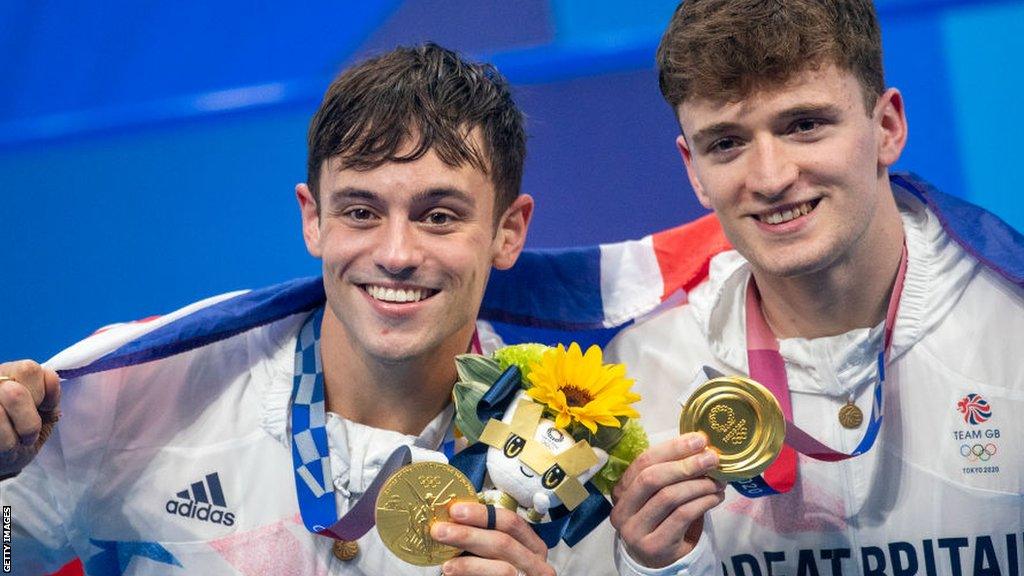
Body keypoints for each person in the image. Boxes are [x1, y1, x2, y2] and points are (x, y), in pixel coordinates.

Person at [0, 43, 590, 576]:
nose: (397, 254)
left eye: (439, 216)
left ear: (507, 231)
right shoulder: (142, 390)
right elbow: (7, 551)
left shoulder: (575, 457)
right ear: (313, 219)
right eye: (361, 211)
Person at [606, 1, 1024, 574]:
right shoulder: (637, 374)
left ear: (887, 128)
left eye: (803, 125)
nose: (772, 178)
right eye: (726, 143)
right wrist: (657, 567)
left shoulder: (1014, 324)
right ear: (693, 170)